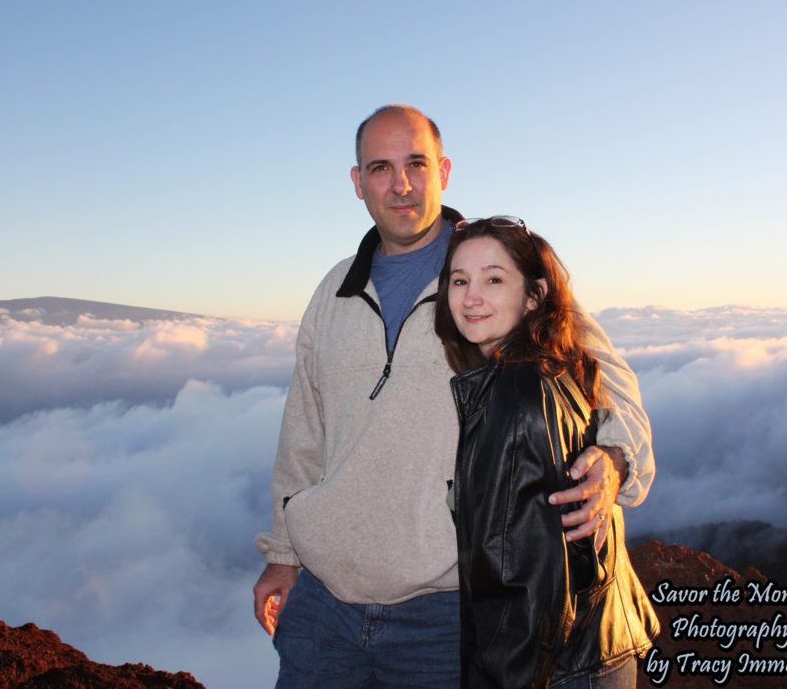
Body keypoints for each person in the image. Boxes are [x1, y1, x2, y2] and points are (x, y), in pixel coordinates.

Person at [253, 105, 654, 688]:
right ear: (357, 182)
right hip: (324, 608)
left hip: (447, 611)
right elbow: (303, 432)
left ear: (443, 170)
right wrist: (282, 554)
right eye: (381, 167)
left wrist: (616, 462)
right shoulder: (335, 289)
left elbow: (605, 378)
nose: (401, 184)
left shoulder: (493, 269)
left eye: (416, 164)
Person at [434, 216, 659, 688]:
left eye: (494, 279)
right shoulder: (545, 366)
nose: (471, 296)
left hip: (560, 666)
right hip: (590, 649)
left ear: (534, 296)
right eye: (460, 281)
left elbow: (524, 583)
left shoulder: (518, 392)